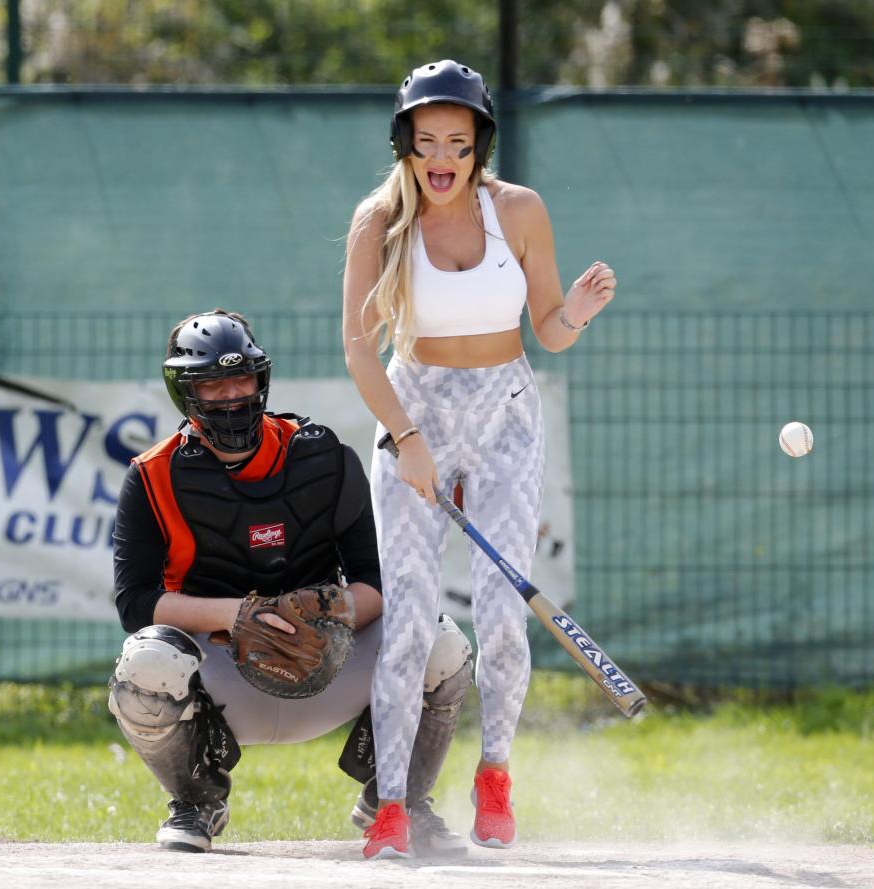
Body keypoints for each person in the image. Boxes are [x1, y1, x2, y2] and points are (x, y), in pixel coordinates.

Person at [342, 60, 618, 858]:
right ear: (405, 142)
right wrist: (406, 438)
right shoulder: (377, 221)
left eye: (457, 143)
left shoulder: (519, 212)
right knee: (409, 623)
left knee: (501, 617)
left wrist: (576, 313)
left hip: (504, 414)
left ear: (478, 146)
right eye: (425, 140)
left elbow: (548, 330)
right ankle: (390, 805)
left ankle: (493, 772)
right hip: (413, 413)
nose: (441, 158)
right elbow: (359, 352)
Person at [109, 309, 473, 858]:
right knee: (145, 663)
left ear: (262, 379)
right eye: (211, 382)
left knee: (441, 643)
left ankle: (396, 796)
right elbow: (135, 603)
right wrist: (237, 616)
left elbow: (377, 582)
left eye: (242, 378)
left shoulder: (324, 458)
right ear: (184, 391)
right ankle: (197, 799)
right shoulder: (151, 475)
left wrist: (332, 609)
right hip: (224, 674)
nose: (231, 395)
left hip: (330, 658)